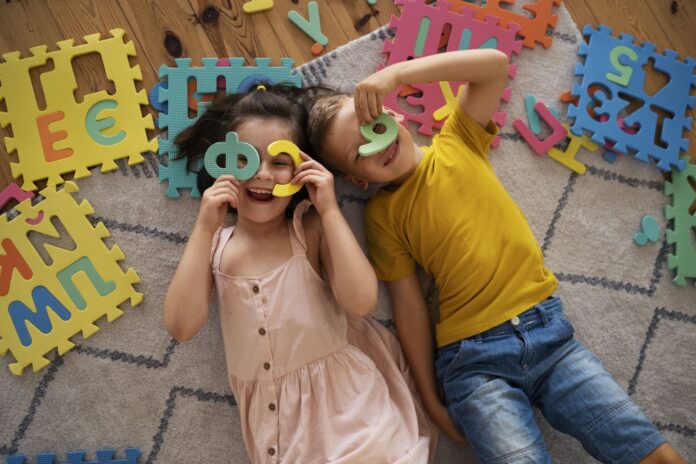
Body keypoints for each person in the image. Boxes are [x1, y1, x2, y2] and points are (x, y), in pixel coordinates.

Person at [306, 50, 686, 464]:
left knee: (658, 457)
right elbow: (409, 306)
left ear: (394, 115)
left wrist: (395, 75)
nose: (374, 144)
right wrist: (430, 399)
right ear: (357, 180)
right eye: (359, 153)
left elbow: (494, 66)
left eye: (372, 124)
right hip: (474, 363)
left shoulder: (458, 140)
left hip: (549, 336)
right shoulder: (381, 216)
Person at [163, 84, 434, 464]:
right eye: (245, 159)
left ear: (301, 171)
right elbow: (181, 326)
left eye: (279, 162)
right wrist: (204, 227)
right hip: (281, 435)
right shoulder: (213, 245)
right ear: (223, 163)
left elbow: (360, 301)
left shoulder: (308, 229)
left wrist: (330, 210)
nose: (262, 174)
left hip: (353, 415)